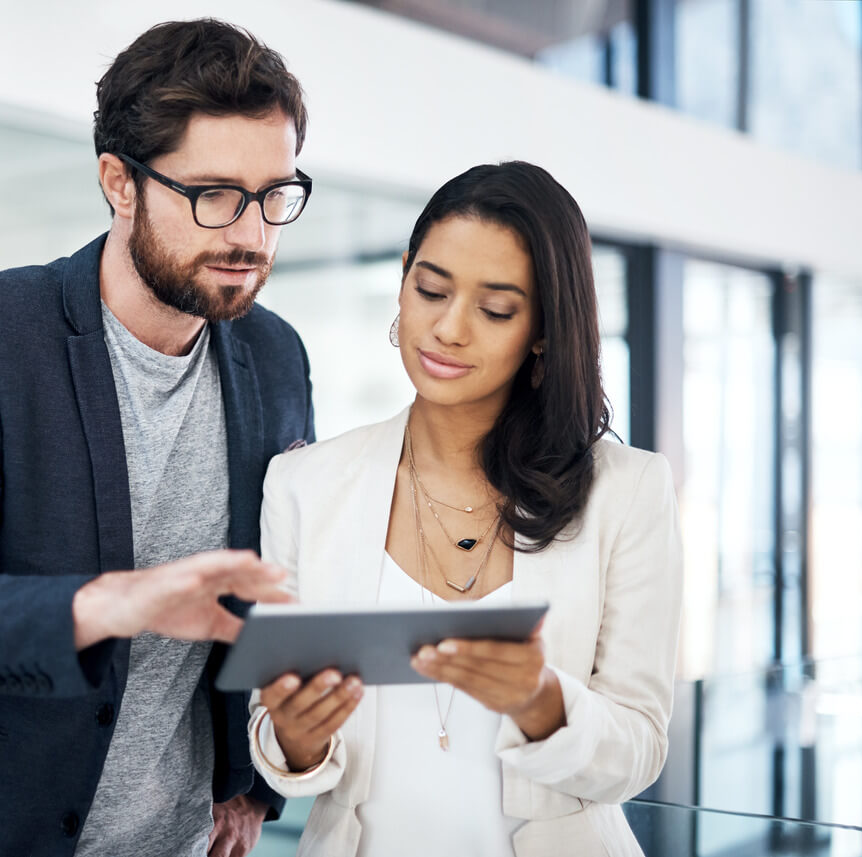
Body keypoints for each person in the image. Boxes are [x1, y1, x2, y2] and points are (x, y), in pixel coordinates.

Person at [0, 19, 318, 857]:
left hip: (171, 838)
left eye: (274, 195)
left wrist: (248, 780)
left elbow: (259, 587)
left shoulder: (275, 354)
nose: (252, 235)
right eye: (215, 195)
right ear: (119, 183)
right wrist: (112, 601)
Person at [247, 161, 682, 857]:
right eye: (430, 289)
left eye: (496, 309)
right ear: (402, 280)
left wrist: (541, 700)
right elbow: (273, 729)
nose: (448, 329)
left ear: (542, 327)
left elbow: (640, 748)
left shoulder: (627, 490)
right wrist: (294, 738)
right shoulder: (304, 483)